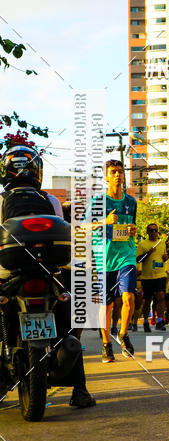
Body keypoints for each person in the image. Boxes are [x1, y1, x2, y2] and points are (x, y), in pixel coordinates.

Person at [0, 145, 96, 407]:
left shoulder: (0, 200)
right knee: (68, 327)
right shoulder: (50, 200)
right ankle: (80, 390)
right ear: (37, 172)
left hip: (8, 276)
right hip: (48, 274)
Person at [91, 159, 137, 362]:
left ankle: (123, 334)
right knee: (106, 305)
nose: (118, 174)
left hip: (126, 254)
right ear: (106, 176)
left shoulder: (131, 202)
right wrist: (105, 221)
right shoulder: (98, 202)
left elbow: (130, 226)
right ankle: (106, 344)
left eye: (120, 171)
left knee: (128, 297)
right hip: (104, 258)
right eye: (113, 172)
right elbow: (84, 227)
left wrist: (133, 230)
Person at [137, 223, 168, 332]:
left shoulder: (162, 243)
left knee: (161, 296)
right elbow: (138, 260)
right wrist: (148, 253)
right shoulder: (142, 244)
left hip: (160, 275)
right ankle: (146, 321)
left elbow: (164, 258)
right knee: (147, 300)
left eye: (156, 230)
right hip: (147, 277)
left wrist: (165, 257)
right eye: (151, 230)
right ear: (147, 232)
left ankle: (160, 321)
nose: (154, 232)